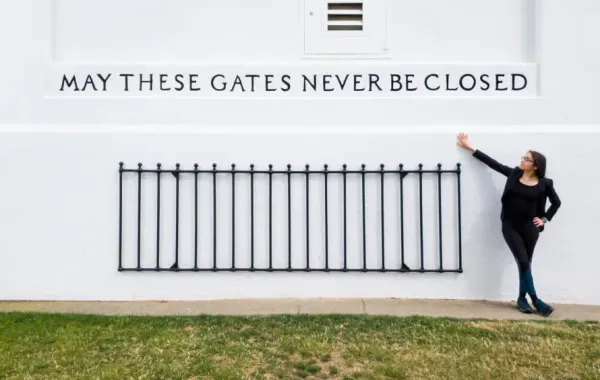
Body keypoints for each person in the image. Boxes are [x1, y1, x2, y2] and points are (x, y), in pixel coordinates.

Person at [457, 133, 561, 316]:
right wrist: (471, 148)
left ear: (535, 166)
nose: (522, 160)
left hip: (530, 228)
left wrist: (544, 219)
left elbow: (556, 202)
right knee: (522, 260)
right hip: (510, 225)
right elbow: (493, 164)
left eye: (526, 159)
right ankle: (536, 300)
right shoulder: (514, 174)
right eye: (523, 157)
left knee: (525, 263)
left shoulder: (545, 183)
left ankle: (522, 299)